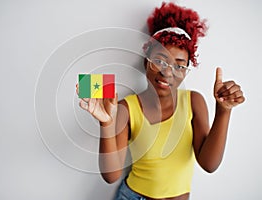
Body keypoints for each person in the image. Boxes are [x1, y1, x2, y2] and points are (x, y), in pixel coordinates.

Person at [77, 2, 245, 200]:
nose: (168, 72)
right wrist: (106, 124)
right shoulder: (126, 107)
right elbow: (111, 175)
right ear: (146, 61)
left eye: (179, 66)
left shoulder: (194, 102)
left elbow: (209, 164)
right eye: (160, 61)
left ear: (186, 72)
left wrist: (224, 111)